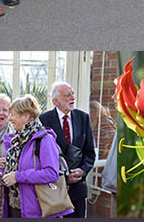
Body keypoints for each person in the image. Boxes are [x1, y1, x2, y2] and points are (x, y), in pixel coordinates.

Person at [0, 94, 73, 218]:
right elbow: (14, 166)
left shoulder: (45, 140)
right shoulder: (16, 140)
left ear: (26, 116)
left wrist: (18, 176)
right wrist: (1, 175)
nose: (9, 118)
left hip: (36, 211)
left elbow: (51, 173)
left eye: (13, 115)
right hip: (13, 208)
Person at [40, 83, 96, 218]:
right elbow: (40, 155)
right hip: (54, 189)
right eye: (67, 95)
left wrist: (83, 171)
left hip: (78, 188)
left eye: (73, 94)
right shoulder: (43, 119)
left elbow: (90, 152)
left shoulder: (83, 117)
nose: (72, 98)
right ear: (55, 101)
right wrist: (63, 176)